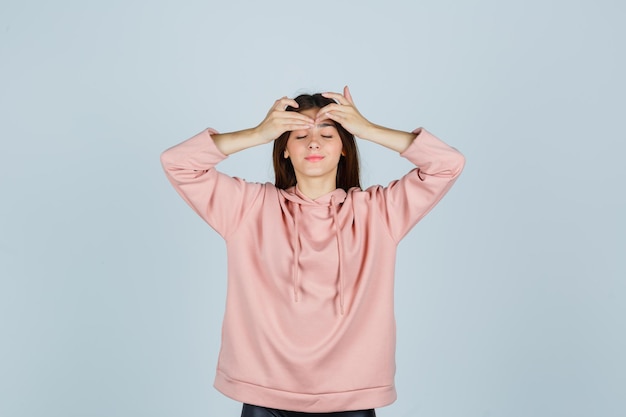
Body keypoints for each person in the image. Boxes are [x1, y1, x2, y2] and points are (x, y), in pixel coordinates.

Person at [161, 86, 465, 417]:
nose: (314, 142)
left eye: (327, 134)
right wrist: (257, 133)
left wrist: (367, 129)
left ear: (345, 149)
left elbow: (448, 164)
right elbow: (177, 163)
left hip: (352, 397)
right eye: (299, 135)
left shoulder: (379, 213)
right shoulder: (248, 208)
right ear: (285, 150)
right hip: (265, 395)